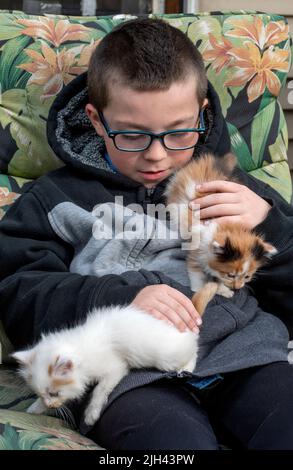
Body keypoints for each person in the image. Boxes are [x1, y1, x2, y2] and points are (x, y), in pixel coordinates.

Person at [1, 18, 293, 450]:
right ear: (97, 122)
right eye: (132, 135)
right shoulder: (56, 198)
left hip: (249, 358)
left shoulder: (237, 192)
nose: (157, 155)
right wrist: (118, 298)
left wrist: (270, 228)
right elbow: (18, 292)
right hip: (131, 379)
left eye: (178, 132)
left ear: (202, 114)